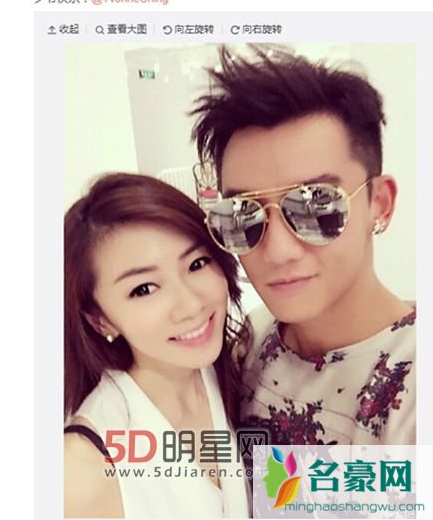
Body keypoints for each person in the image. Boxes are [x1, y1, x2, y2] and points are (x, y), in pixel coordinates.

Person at [191, 45, 416, 445]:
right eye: (243, 213)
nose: (278, 250)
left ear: (379, 203)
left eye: (315, 205)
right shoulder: (253, 340)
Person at [64, 172, 250, 518]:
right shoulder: (82, 466)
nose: (190, 305)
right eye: (144, 289)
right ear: (100, 319)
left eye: (197, 264)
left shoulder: (236, 371)